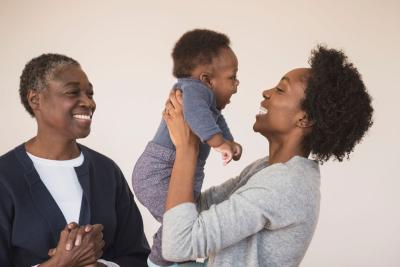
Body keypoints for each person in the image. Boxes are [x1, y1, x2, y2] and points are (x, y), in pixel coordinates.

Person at [160, 46, 374, 267]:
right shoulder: (268, 169)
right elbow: (197, 207)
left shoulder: (285, 185)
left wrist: (187, 148)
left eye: (281, 89)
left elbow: (178, 244)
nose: (266, 92)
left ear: (304, 119)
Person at [0, 54, 150, 266]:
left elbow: (138, 256)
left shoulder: (106, 171)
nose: (88, 102)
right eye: (72, 93)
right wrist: (60, 263)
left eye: (90, 93)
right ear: (35, 99)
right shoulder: (5, 177)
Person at [132, 29, 241, 266]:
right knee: (182, 225)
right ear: (206, 80)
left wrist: (229, 142)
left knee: (180, 221)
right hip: (158, 173)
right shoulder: (192, 90)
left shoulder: (207, 99)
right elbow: (195, 116)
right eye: (232, 77)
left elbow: (216, 121)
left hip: (181, 172)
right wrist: (219, 143)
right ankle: (160, 262)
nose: (236, 86)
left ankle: (162, 260)